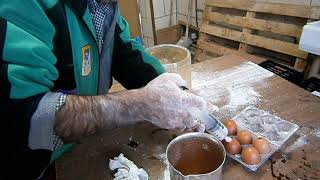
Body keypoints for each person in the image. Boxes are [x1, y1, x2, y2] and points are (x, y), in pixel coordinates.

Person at [0, 0, 208, 179]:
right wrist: (138, 105)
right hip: (33, 166)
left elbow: (124, 51)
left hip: (82, 146)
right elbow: (24, 117)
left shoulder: (103, 6)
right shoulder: (23, 5)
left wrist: (172, 93)